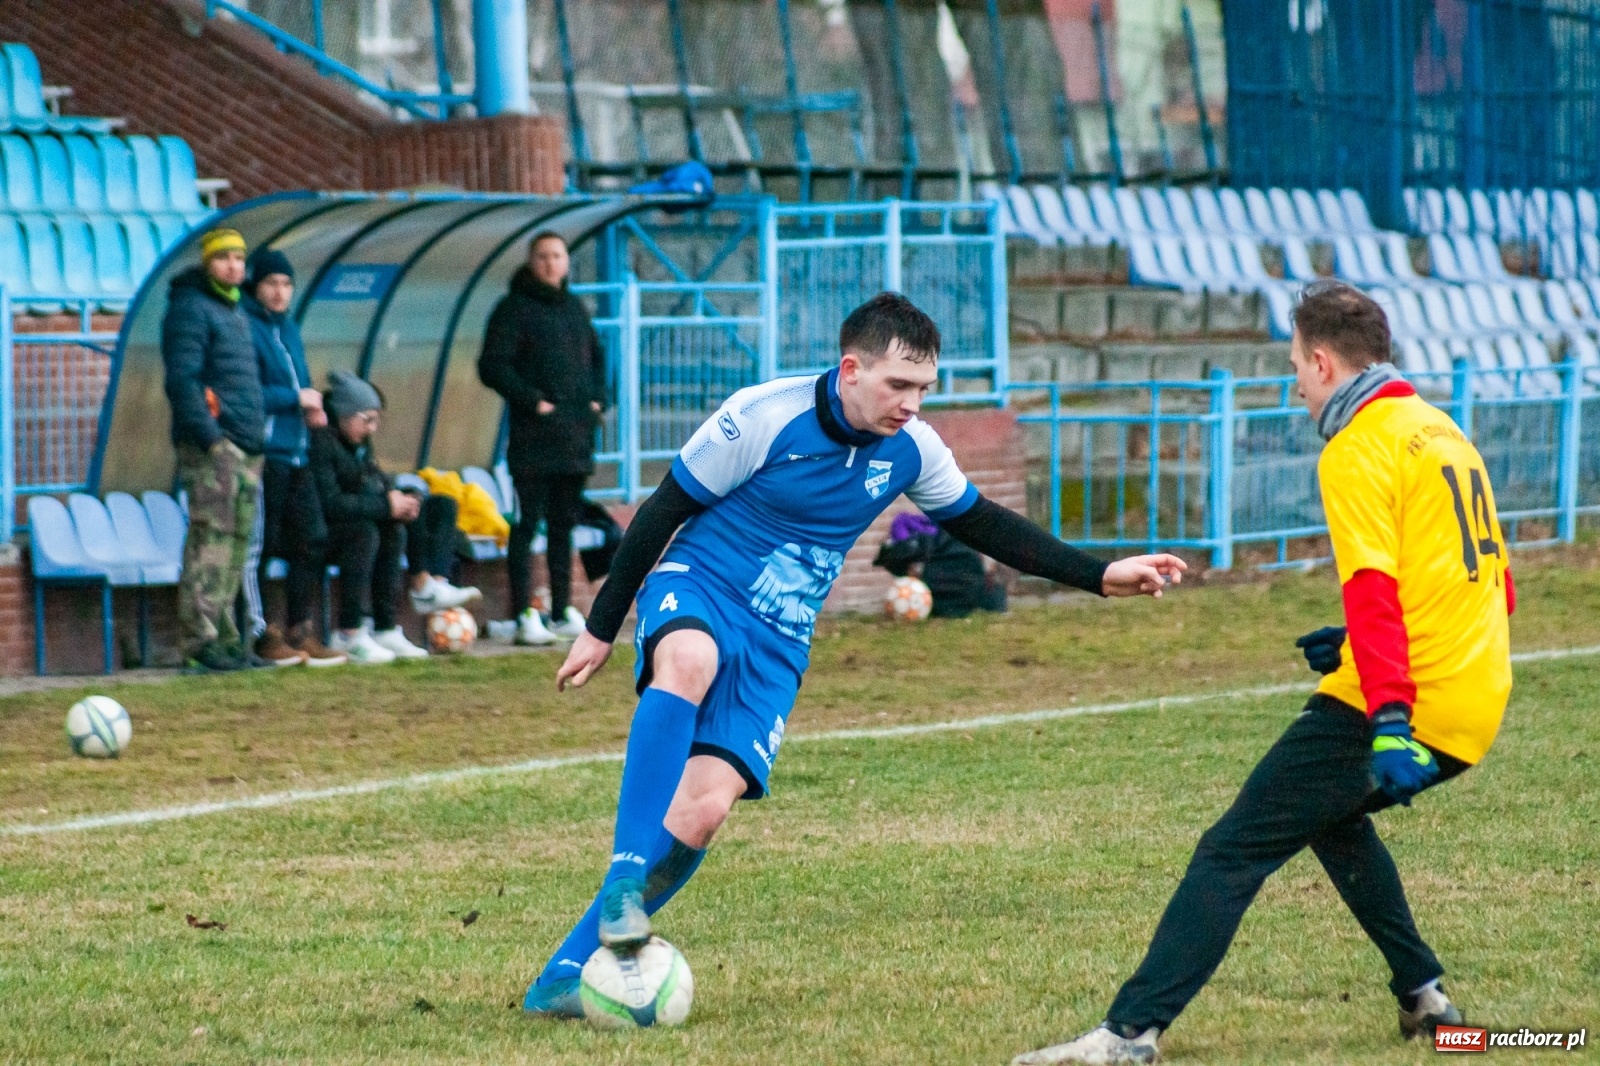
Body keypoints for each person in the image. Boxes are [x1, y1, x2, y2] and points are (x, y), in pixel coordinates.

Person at [521, 293, 1187, 1017]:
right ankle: (625, 880)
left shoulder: (913, 449)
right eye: (898, 385)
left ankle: (565, 973)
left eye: (924, 388)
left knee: (705, 810)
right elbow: (662, 511)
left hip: (780, 638)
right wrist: (601, 624)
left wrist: (1099, 573)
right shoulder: (764, 415)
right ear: (851, 370)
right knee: (688, 663)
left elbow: (987, 524)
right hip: (703, 584)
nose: (912, 402)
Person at [1013, 282, 1514, 1065]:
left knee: (1231, 849)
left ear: (1322, 361)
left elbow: (1380, 592)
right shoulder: (1441, 429)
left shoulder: (1357, 446)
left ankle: (1129, 1034)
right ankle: (1425, 998)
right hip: (1477, 694)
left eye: (1295, 367)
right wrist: (1352, 643)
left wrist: (1386, 716)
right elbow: (1488, 582)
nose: (1294, 384)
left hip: (1407, 701)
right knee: (1329, 818)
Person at [477, 231, 608, 647]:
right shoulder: (513, 309)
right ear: (531, 262)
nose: (551, 263)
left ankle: (561, 608)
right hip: (534, 439)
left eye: (557, 256)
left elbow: (598, 361)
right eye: (543, 256)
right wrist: (533, 401)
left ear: (567, 262)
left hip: (574, 437)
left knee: (563, 526)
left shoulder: (574, 309)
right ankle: (522, 614)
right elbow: (492, 366)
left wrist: (598, 402)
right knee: (527, 523)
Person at [309, 371, 481, 665]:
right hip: (330, 531)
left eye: (376, 420)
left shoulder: (361, 446)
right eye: (367, 420)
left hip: (365, 519)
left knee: (437, 506)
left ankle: (420, 592)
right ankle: (349, 632)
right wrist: (385, 506)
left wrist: (401, 498)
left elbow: (375, 480)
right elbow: (331, 503)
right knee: (372, 531)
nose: (372, 428)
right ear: (345, 415)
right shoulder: (322, 445)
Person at [161, 227, 265, 674]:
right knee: (211, 541)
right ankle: (199, 639)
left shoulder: (235, 311)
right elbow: (182, 380)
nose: (234, 266)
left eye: (239, 259)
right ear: (208, 263)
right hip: (216, 448)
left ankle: (225, 638)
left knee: (236, 545)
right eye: (224, 258)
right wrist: (211, 438)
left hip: (245, 444)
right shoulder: (190, 309)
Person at [238, 247, 347, 668]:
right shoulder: (247, 328)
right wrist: (293, 398)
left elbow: (299, 382)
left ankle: (301, 627)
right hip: (268, 453)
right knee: (262, 546)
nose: (280, 292)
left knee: (313, 537)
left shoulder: (290, 329)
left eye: (286, 284)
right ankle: (264, 634)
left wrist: (313, 408)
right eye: (271, 283)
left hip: (298, 450)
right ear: (256, 285)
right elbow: (247, 394)